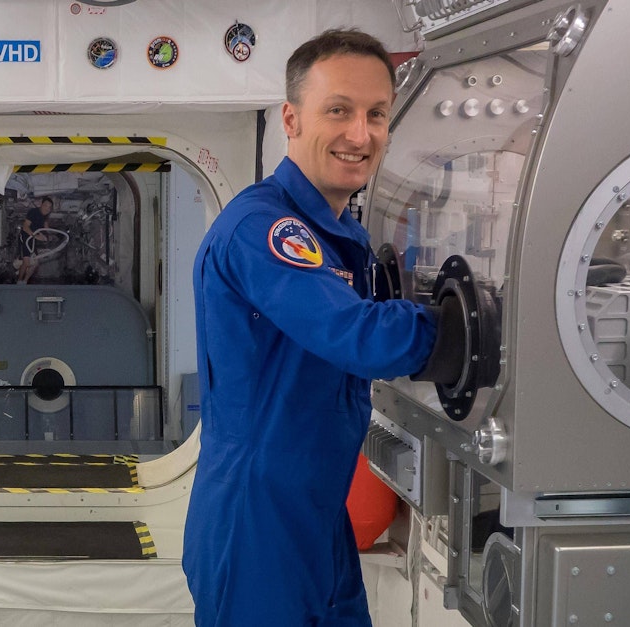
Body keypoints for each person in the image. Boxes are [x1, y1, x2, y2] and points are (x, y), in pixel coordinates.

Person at [182, 29, 463, 626]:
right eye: (338, 110)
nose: (360, 134)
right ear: (291, 118)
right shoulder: (264, 228)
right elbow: (356, 335)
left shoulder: (343, 237)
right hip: (260, 518)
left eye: (376, 115)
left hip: (316, 510)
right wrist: (460, 327)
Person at [16, 197, 55, 283]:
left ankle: (25, 282)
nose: (47, 209)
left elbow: (45, 228)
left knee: (35, 264)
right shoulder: (33, 212)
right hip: (25, 237)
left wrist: (50, 235)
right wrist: (36, 236)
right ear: (41, 205)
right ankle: (19, 281)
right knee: (26, 262)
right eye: (46, 206)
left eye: (49, 207)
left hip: (32, 240)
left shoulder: (45, 216)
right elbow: (25, 227)